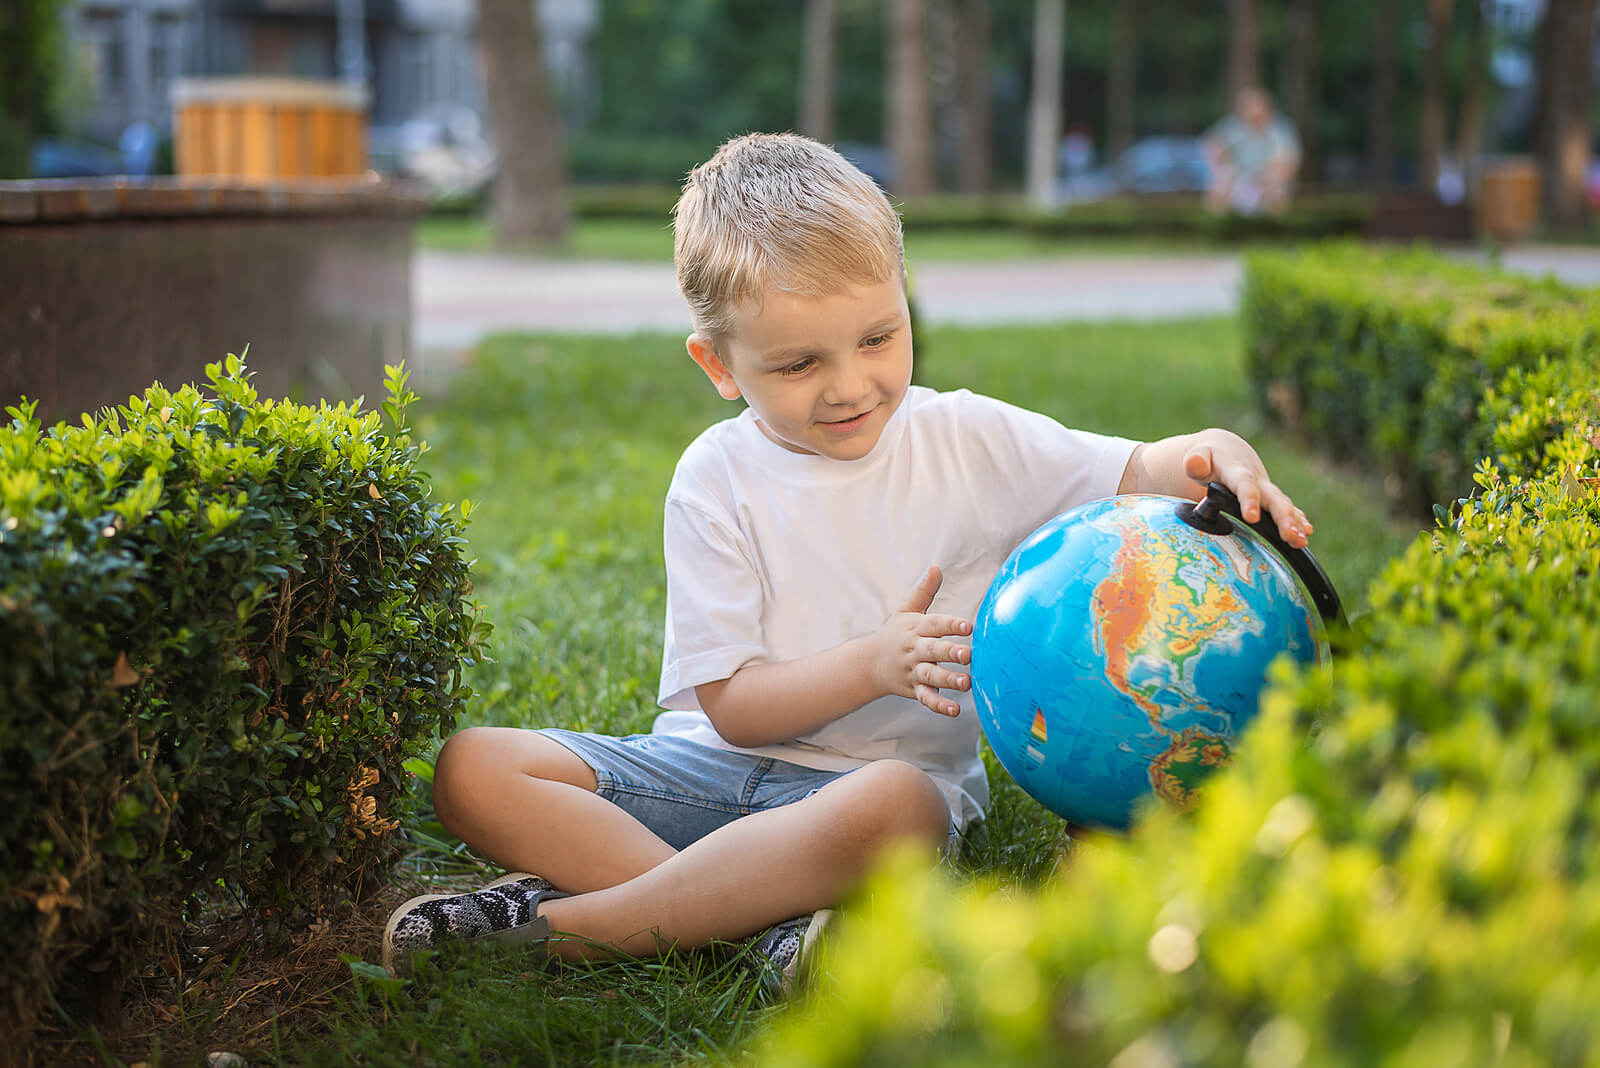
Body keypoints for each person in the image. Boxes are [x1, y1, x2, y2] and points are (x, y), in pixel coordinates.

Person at [380, 132, 1315, 989]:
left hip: (859, 806)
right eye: (798, 365)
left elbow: (1132, 471)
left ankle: (577, 928)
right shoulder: (715, 478)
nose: (851, 385)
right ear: (718, 365)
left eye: (878, 337)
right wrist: (874, 662)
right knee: (471, 769)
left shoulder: (965, 438)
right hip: (703, 782)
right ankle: (752, 928)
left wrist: (1214, 446)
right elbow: (735, 711)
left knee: (904, 804)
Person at [1203, 87, 1301, 215]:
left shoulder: (1280, 128)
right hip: (1237, 177)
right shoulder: (1233, 125)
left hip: (1268, 178)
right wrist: (1222, 164)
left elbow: (1288, 163)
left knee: (1276, 191)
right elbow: (1212, 143)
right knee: (1219, 188)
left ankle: (1274, 229)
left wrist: (1264, 178)